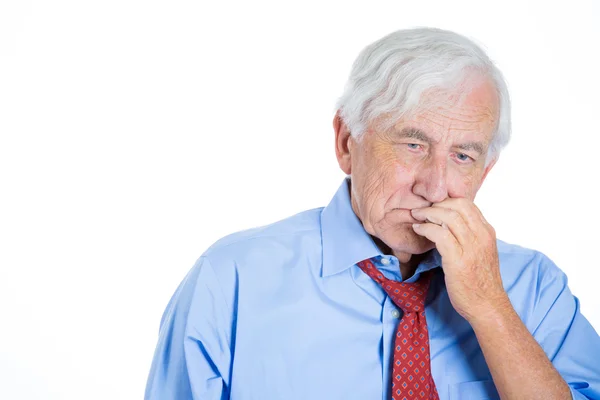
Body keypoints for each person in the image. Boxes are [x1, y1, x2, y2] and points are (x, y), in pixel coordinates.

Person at [144, 27, 600, 400]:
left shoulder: (535, 289)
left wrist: (490, 309)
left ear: (487, 169)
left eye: (463, 156)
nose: (435, 186)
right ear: (347, 142)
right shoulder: (230, 281)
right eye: (413, 144)